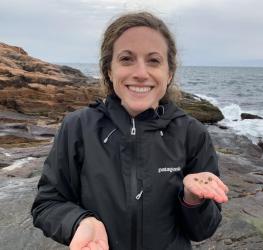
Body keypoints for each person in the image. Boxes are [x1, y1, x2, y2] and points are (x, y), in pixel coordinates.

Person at [31, 11, 229, 250]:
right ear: (109, 70)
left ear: (169, 74)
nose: (141, 73)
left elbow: (203, 230)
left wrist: (193, 200)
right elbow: (47, 204)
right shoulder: (77, 127)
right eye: (126, 59)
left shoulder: (192, 133)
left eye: (153, 60)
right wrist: (79, 222)